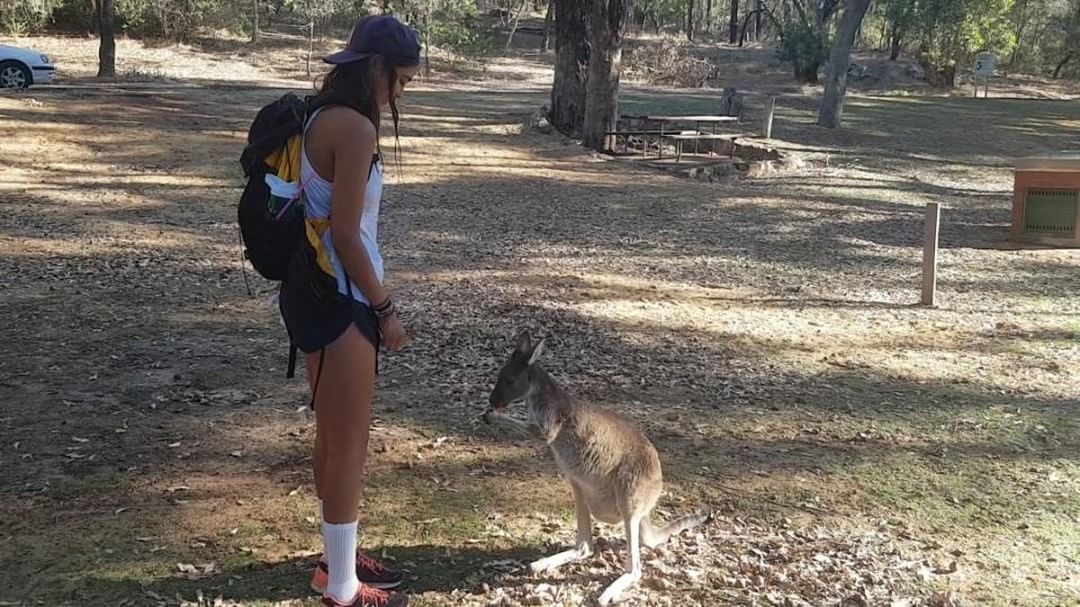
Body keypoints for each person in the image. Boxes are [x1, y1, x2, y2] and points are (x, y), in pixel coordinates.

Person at [277, 14, 420, 607]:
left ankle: (335, 557)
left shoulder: (319, 115)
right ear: (375, 68)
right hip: (344, 300)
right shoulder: (355, 128)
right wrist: (385, 309)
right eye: (400, 80)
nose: (400, 93)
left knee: (333, 436)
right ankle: (341, 588)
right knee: (350, 442)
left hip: (312, 292)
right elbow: (346, 233)